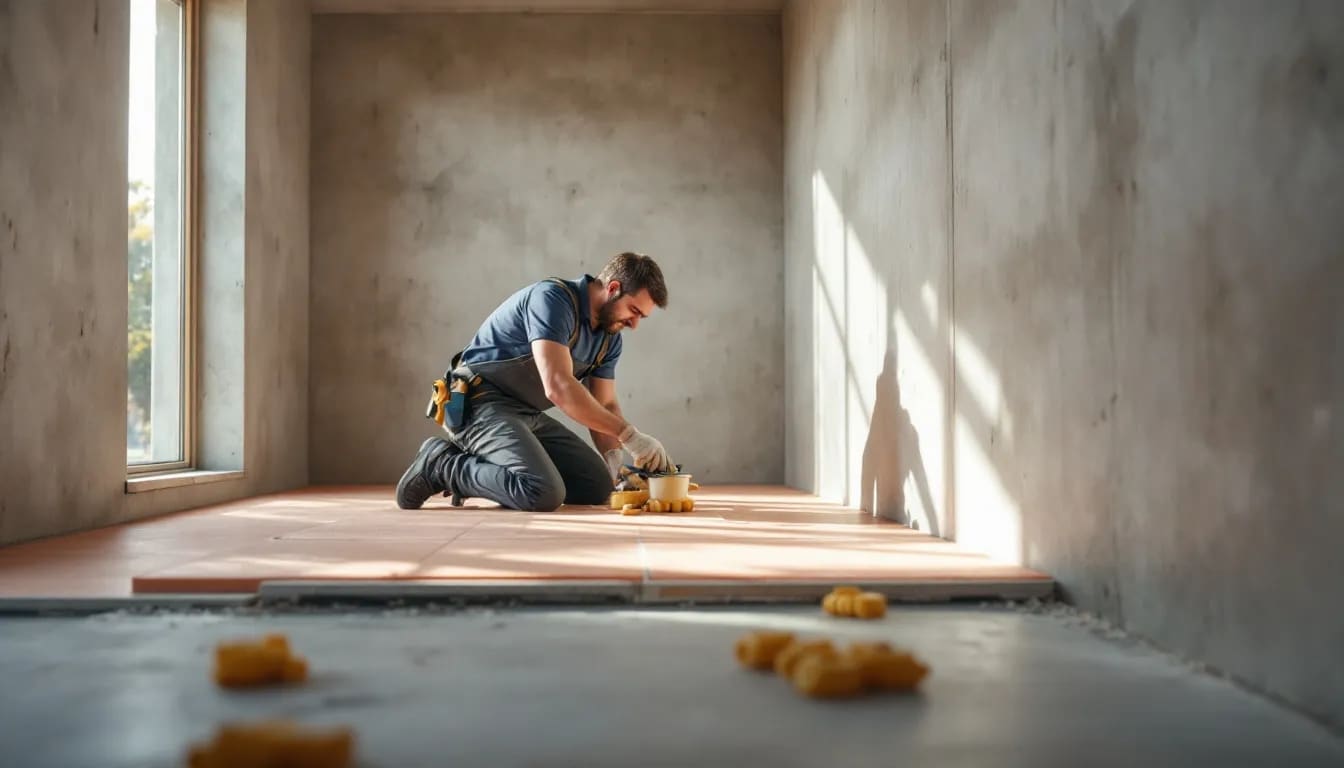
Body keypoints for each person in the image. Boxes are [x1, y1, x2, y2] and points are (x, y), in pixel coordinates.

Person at [395, 252, 676, 511]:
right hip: (478, 402)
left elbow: (605, 404)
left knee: (598, 486)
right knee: (542, 491)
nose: (635, 324)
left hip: (524, 413)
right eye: (634, 311)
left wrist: (617, 467)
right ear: (613, 289)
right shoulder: (553, 300)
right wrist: (631, 435)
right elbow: (558, 386)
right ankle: (443, 465)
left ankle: (485, 464)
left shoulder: (608, 339)